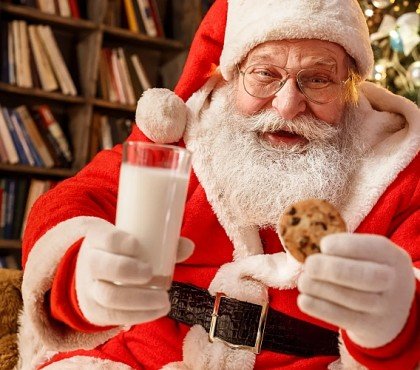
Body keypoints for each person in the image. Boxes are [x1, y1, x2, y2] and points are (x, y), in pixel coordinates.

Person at [18, 0, 419, 369]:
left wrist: (396, 323)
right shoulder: (182, 135)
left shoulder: (398, 168)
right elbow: (74, 201)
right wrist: (83, 275)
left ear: (350, 86)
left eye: (317, 79)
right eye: (265, 74)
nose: (286, 104)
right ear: (233, 74)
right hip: (142, 357)